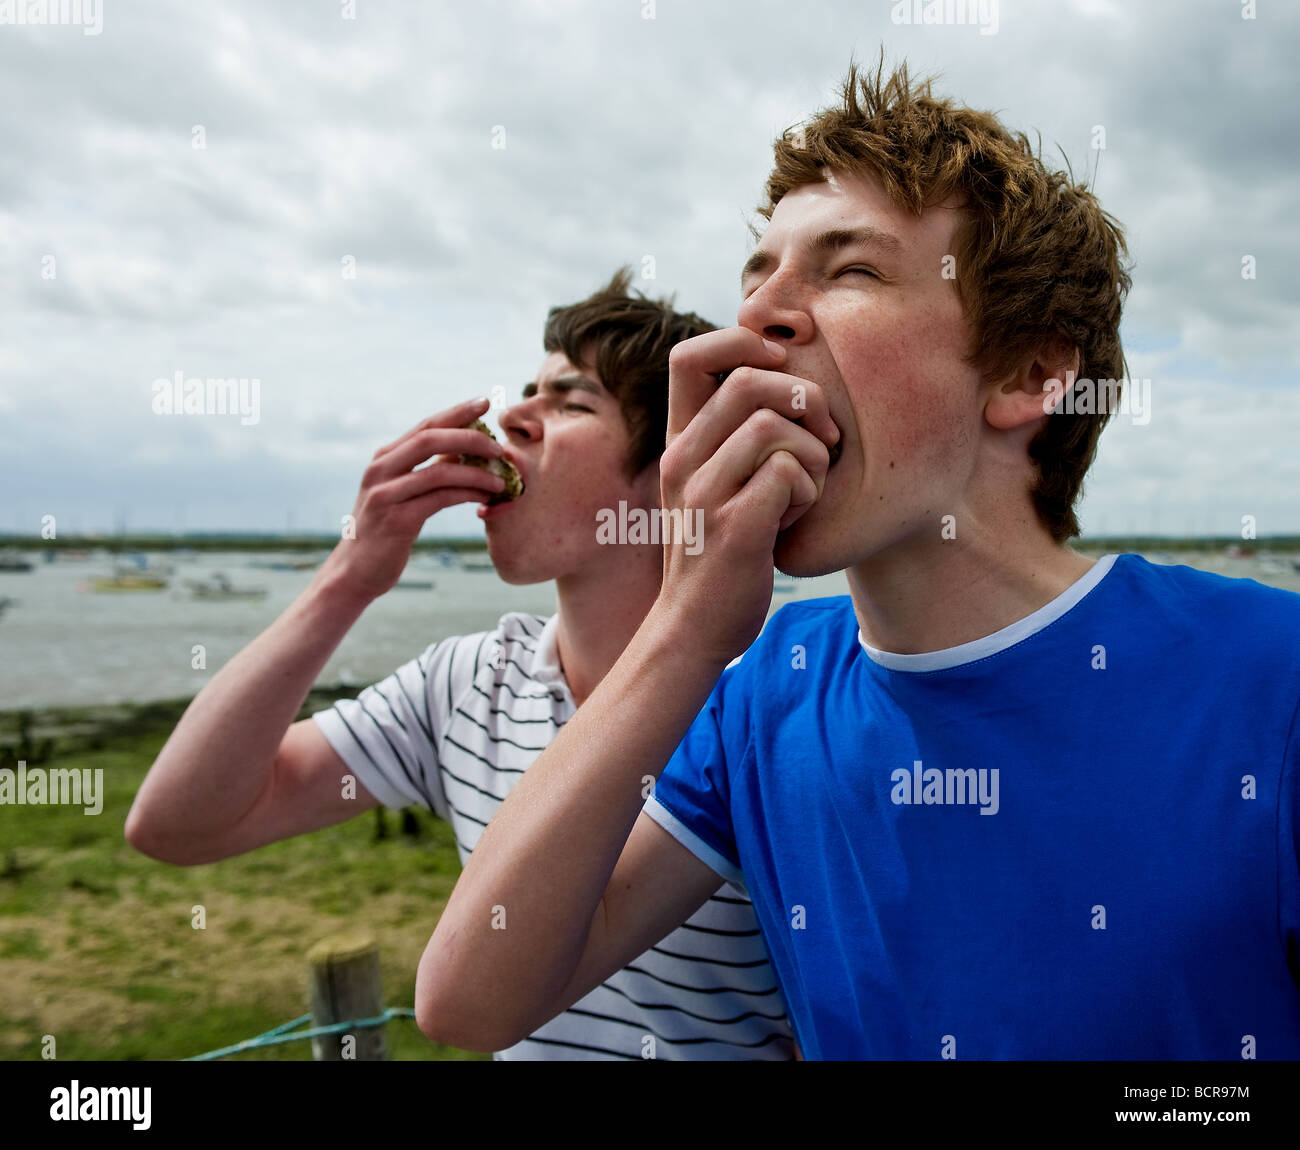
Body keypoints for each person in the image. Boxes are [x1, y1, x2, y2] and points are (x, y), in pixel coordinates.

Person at [415, 61, 1300, 1061]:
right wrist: (681, 626)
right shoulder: (762, 695)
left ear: (1026, 375)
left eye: (851, 271)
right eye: (754, 281)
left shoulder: (1267, 675)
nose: (753, 324)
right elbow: (469, 1001)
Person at [125, 270, 797, 1061]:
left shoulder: (772, 702)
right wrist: (348, 578)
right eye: (529, 390)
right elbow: (178, 823)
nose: (513, 414)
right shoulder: (468, 683)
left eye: (572, 402)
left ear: (674, 471)